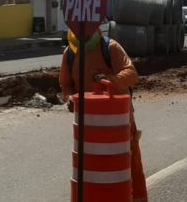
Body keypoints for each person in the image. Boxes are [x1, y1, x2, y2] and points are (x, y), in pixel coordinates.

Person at [59, 28, 147, 202]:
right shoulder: (70, 53)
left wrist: (108, 80)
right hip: (89, 122)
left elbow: (131, 74)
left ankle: (138, 198)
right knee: (93, 164)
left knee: (129, 160)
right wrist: (69, 98)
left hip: (118, 117)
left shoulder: (110, 47)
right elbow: (66, 84)